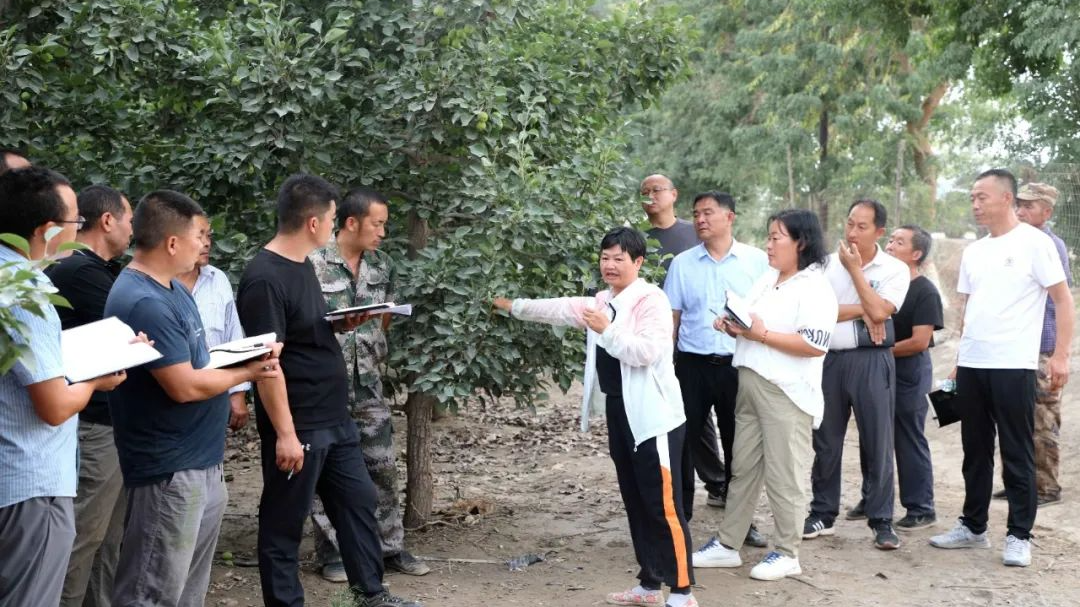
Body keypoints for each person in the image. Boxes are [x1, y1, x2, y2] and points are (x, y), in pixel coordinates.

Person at [236, 174, 421, 607]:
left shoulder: (302, 265)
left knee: (357, 502)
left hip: (335, 418)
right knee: (284, 522)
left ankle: (371, 594)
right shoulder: (264, 277)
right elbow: (266, 363)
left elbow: (299, 331)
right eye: (334, 218)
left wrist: (339, 322)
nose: (336, 225)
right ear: (314, 223)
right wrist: (284, 433)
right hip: (299, 421)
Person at [494, 227, 697, 607]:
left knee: (662, 505)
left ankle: (682, 592)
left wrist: (608, 329)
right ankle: (650, 585)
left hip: (654, 417)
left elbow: (649, 352)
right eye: (605, 257)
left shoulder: (650, 299)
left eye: (620, 258)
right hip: (621, 412)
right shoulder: (602, 300)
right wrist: (512, 306)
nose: (610, 264)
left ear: (638, 262)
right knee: (635, 501)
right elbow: (557, 307)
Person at [105, 190, 282, 605]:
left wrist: (244, 356)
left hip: (201, 460)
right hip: (169, 469)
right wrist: (249, 372)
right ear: (171, 242)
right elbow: (183, 385)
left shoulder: (175, 290)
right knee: (152, 589)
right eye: (199, 235)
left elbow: (200, 361)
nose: (205, 243)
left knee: (185, 591)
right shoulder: (144, 299)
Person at [930, 169, 1074, 568]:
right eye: (972, 197)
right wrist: (959, 362)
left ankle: (1018, 535)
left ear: (1007, 198)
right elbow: (969, 311)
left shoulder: (1035, 243)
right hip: (974, 364)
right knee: (974, 450)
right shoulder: (975, 251)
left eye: (982, 197)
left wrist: (1061, 355)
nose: (975, 204)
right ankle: (973, 527)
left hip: (1015, 365)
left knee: (1016, 449)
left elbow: (1062, 300)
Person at [0, 167, 127, 607]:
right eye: (75, 223)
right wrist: (97, 377)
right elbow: (53, 406)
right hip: (31, 478)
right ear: (46, 230)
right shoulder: (27, 291)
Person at [691, 209, 836, 581]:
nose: (768, 244)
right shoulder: (769, 278)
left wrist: (761, 336)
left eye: (776, 237)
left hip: (786, 393)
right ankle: (728, 544)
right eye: (769, 236)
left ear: (800, 242)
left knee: (785, 474)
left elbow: (813, 344)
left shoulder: (815, 287)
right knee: (743, 469)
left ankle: (788, 552)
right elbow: (754, 320)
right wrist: (734, 325)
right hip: (750, 382)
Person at [309, 187, 428, 581]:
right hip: (324, 387)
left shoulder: (383, 265)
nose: (381, 233)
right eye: (377, 224)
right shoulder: (312, 262)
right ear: (350, 222)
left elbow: (385, 318)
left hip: (369, 385)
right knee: (325, 474)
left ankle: (388, 547)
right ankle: (333, 554)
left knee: (382, 467)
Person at [47, 185, 134, 607]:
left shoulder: (101, 271)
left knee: (109, 538)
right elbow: (130, 334)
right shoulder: (78, 272)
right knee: (85, 536)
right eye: (130, 220)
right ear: (107, 220)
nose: (134, 231)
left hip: (110, 420)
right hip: (93, 423)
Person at [664, 192, 769, 540]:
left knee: (739, 444)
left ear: (730, 217)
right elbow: (673, 318)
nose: (700, 220)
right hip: (691, 365)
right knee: (683, 441)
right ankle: (679, 518)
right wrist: (665, 365)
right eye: (695, 214)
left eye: (708, 213)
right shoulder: (682, 264)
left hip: (738, 365)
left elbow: (766, 316)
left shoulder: (756, 262)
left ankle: (742, 524)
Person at [805, 199, 908, 550]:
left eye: (862, 227)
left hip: (872, 361)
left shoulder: (895, 269)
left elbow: (881, 311)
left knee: (877, 440)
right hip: (828, 359)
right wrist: (865, 311)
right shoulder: (823, 266)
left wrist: (855, 273)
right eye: (850, 223)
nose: (851, 232)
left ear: (879, 232)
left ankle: (881, 520)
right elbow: (817, 311)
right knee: (826, 439)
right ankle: (822, 512)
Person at [640, 175, 727, 509]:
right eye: (644, 193)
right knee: (674, 419)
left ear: (673, 195)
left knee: (701, 420)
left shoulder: (696, 232)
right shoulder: (639, 240)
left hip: (699, 341)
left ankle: (717, 482)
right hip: (656, 341)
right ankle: (674, 495)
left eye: (657, 190)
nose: (651, 197)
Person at [1013, 182, 1072, 506]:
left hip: (1042, 347)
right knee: (1017, 419)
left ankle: (1047, 487)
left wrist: (1059, 354)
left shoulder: (1051, 244)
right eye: (1019, 205)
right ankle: (1021, 483)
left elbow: (1061, 300)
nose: (1021, 211)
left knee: (1043, 419)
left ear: (1046, 212)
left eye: (1029, 206)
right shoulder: (1015, 241)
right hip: (1017, 347)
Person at [883, 225, 943, 530]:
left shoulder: (924, 291)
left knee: (908, 437)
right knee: (875, 436)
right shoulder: (881, 285)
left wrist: (880, 350)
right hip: (881, 369)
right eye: (890, 239)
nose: (890, 245)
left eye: (899, 242)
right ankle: (872, 500)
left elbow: (920, 341)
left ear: (916, 254)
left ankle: (921, 507)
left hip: (910, 372)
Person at [176, 215, 251, 431]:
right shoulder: (159, 284)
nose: (207, 243)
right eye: (199, 236)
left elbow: (233, 337)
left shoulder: (217, 279)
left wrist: (237, 394)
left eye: (209, 235)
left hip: (214, 399)